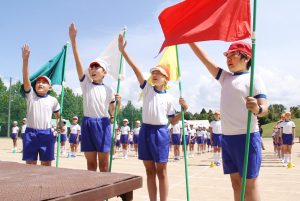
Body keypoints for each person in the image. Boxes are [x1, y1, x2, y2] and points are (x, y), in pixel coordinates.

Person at [189, 41, 268, 201]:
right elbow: (205, 59)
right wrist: (190, 41)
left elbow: (265, 108)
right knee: (236, 184)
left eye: (233, 54)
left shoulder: (254, 79)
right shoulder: (225, 77)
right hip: (228, 138)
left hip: (247, 137)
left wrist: (257, 109)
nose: (228, 58)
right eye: (227, 55)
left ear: (246, 58)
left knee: (250, 186)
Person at [119, 34, 188, 201]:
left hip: (160, 133)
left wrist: (183, 111)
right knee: (149, 171)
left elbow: (173, 121)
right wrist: (123, 52)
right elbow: (136, 69)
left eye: (159, 73)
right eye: (153, 72)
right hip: (145, 131)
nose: (155, 74)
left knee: (161, 172)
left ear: (166, 79)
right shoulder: (147, 89)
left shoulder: (170, 98)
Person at [69, 23, 121, 172]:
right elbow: (78, 63)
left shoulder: (109, 90)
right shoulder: (86, 84)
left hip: (103, 124)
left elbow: (113, 113)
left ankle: (106, 191)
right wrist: (73, 40)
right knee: (91, 164)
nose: (92, 69)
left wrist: (118, 102)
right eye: (91, 67)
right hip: (87, 123)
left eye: (96, 67)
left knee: (104, 164)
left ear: (104, 72)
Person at [22, 44, 60, 166]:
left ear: (49, 88)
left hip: (47, 134)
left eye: (44, 82)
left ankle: (46, 185)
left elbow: (58, 115)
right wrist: (25, 61)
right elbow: (26, 79)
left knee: (46, 164)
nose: (40, 84)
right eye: (38, 82)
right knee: (30, 164)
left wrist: (60, 124)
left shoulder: (53, 100)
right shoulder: (30, 95)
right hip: (30, 133)